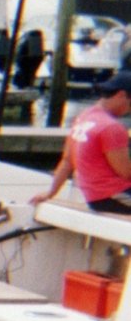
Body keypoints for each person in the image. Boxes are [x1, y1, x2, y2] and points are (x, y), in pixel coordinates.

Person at [30, 70, 131, 213]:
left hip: (93, 196)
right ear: (121, 95)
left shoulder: (83, 117)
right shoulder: (111, 127)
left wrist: (50, 192)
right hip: (113, 195)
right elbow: (126, 173)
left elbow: (66, 161)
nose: (128, 111)